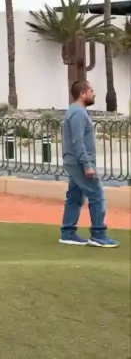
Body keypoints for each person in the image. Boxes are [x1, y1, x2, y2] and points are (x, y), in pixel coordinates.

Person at [59, 80, 118, 248]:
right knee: (97, 195)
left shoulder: (76, 111)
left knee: (75, 196)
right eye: (91, 91)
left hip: (74, 161)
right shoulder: (77, 113)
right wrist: (87, 165)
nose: (94, 94)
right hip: (79, 162)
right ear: (82, 94)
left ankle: (68, 233)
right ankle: (98, 235)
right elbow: (78, 142)